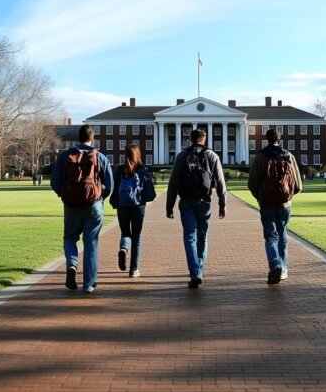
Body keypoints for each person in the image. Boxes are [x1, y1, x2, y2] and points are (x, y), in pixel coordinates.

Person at [51, 124, 113, 294]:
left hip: (71, 205)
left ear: (78, 138)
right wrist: (100, 199)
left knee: (70, 237)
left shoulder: (65, 156)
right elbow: (110, 184)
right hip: (94, 206)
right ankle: (89, 284)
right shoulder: (99, 157)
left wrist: (65, 196)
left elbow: (54, 183)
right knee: (91, 242)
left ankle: (72, 264)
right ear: (93, 139)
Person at [166, 129, 227, 289]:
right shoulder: (212, 155)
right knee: (202, 235)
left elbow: (173, 183)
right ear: (203, 139)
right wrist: (222, 204)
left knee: (190, 237)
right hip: (204, 201)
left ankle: (195, 273)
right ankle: (199, 268)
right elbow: (221, 182)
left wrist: (169, 205)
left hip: (186, 202)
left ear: (190, 140)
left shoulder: (181, 156)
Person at [248, 128, 303, 284]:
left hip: (267, 203)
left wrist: (260, 198)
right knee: (282, 234)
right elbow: (298, 185)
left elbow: (252, 183)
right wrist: (288, 197)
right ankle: (283, 269)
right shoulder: (289, 156)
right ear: (279, 139)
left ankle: (275, 264)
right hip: (285, 204)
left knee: (271, 236)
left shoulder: (260, 156)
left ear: (267, 139)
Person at [109, 144, 156, 277]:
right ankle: (134, 269)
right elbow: (151, 195)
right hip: (138, 208)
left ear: (125, 155)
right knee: (136, 237)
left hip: (122, 207)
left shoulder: (119, 170)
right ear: (138, 155)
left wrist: (115, 202)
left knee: (125, 233)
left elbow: (114, 190)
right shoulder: (143, 171)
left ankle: (123, 248)